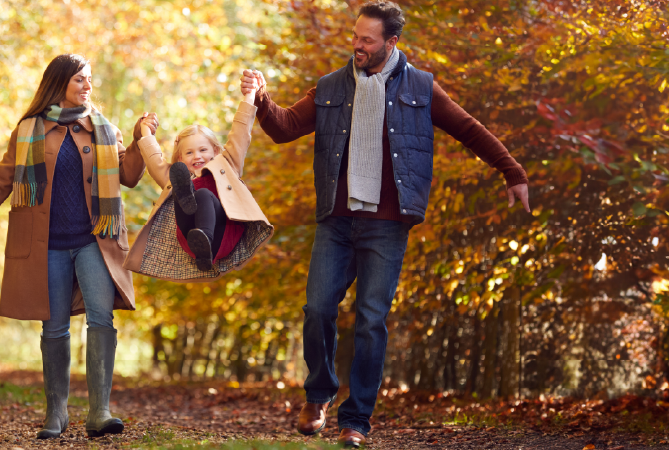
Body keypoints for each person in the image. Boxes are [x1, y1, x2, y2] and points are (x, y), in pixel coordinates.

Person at [240, 2, 531, 447]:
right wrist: (261, 97)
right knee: (317, 310)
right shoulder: (331, 86)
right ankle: (318, 396)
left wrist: (513, 172)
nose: (356, 45)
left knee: (371, 320)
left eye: (367, 40)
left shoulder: (421, 88)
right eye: (355, 36)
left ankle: (355, 420)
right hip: (336, 221)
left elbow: (469, 129)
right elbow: (284, 128)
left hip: (387, 224)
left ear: (390, 43)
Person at [0, 54, 149, 440]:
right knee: (54, 327)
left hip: (95, 240)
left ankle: (99, 412)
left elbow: (128, 177)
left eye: (89, 79)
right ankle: (56, 412)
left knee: (101, 319)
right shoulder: (30, 130)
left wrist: (140, 140)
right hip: (47, 247)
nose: (87, 86)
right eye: (79, 80)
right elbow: (0, 182)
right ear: (59, 84)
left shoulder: (105, 129)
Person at [122, 80, 273, 280]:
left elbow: (240, 133)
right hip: (190, 240)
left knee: (202, 195)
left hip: (223, 234)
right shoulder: (176, 177)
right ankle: (199, 241)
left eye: (203, 150)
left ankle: (205, 240)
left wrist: (250, 95)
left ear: (215, 151)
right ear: (180, 158)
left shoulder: (227, 164)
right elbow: (154, 161)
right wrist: (145, 132)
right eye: (190, 152)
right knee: (178, 189)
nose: (197, 156)